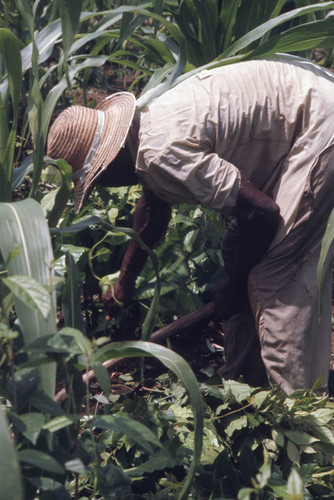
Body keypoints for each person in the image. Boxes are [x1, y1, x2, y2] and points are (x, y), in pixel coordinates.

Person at [47, 54, 334, 395]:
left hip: (320, 125)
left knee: (275, 274)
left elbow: (262, 214)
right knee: (239, 249)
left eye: (99, 181)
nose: (106, 187)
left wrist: (234, 282)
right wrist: (125, 281)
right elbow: (152, 208)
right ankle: (247, 386)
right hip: (305, 112)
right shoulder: (150, 126)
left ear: (108, 165)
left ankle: (302, 409)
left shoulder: (159, 153)